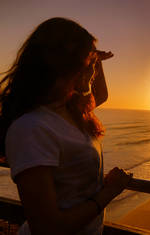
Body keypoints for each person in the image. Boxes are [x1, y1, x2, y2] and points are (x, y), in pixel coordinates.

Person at [0, 17, 132, 235]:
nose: (94, 72)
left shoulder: (71, 111)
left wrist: (94, 59)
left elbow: (100, 95)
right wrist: (109, 192)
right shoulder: (32, 128)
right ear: (67, 66)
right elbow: (47, 228)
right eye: (90, 64)